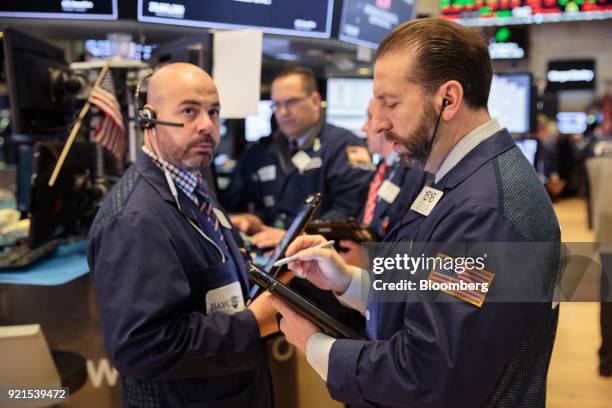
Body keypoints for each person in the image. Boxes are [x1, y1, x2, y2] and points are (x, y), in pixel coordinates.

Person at [271, 18, 561, 407]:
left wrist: (314, 343)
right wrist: (347, 282)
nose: (381, 122)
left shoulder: (484, 212)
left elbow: (427, 373)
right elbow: (431, 295)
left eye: (391, 103)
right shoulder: (456, 176)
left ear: (449, 99)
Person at [87, 63, 277, 407]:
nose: (207, 126)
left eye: (214, 112)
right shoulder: (135, 220)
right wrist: (252, 324)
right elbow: (142, 347)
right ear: (149, 118)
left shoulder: (191, 184)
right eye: (189, 111)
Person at [224, 66, 374, 250]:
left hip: (324, 257)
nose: (283, 112)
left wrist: (293, 237)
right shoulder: (265, 150)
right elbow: (264, 208)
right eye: (277, 105)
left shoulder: (345, 145)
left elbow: (349, 213)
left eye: (292, 102)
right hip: (273, 254)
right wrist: (253, 221)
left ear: (315, 100)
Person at [339, 98, 425, 268]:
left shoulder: (416, 172)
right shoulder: (383, 168)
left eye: (370, 118)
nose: (364, 128)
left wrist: (371, 262)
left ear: (389, 123)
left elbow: (411, 244)